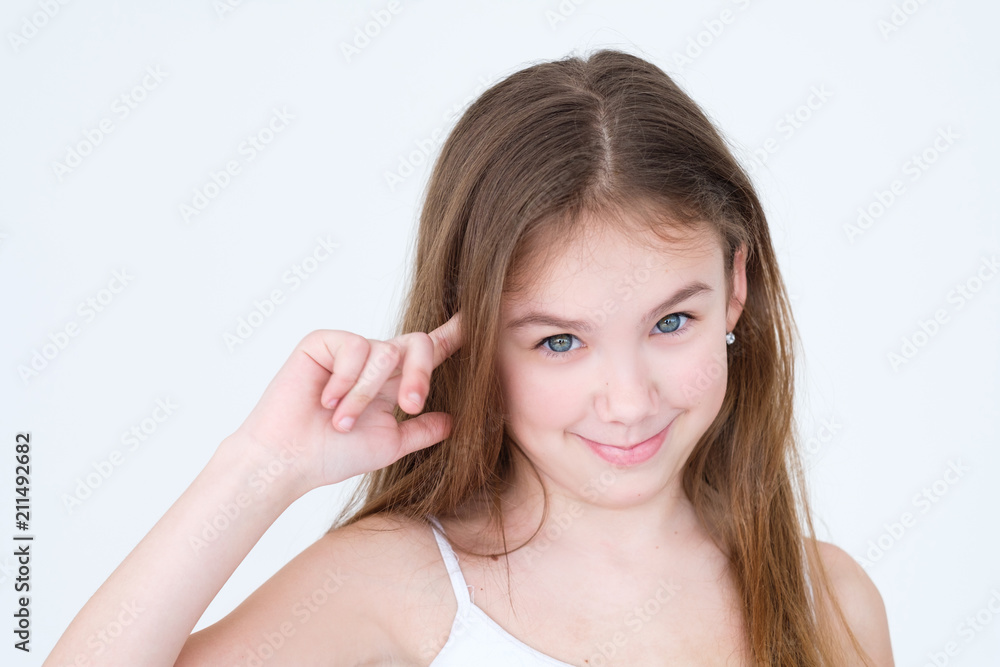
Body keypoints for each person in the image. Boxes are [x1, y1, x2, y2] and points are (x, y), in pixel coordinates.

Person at [45, 48, 894, 666]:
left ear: (736, 287)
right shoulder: (401, 587)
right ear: (478, 337)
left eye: (671, 323)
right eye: (560, 340)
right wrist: (262, 465)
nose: (629, 401)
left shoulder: (833, 604)